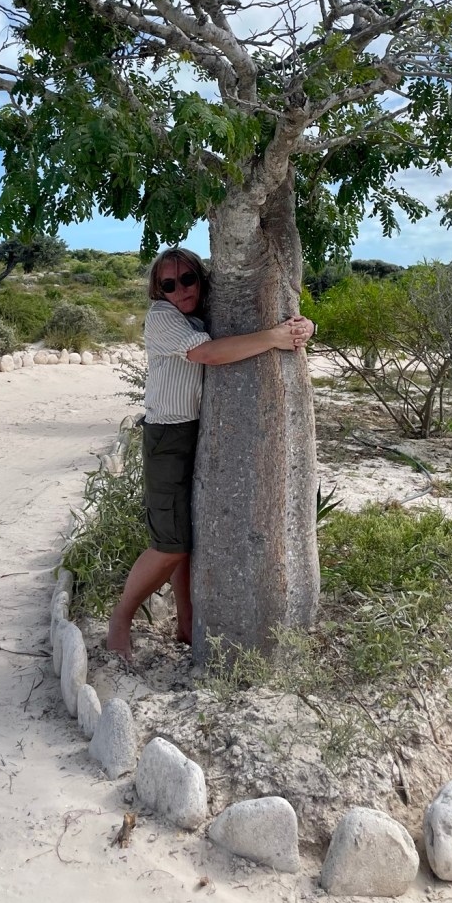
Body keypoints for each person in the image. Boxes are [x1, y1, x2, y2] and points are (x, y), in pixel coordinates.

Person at [106, 247, 315, 659]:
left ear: (201, 280)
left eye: (188, 279)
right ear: (158, 290)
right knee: (170, 545)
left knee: (189, 538)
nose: (180, 289)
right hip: (168, 437)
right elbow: (209, 354)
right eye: (169, 284)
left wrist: (303, 325)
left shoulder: (202, 317)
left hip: (199, 434)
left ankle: (186, 626)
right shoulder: (163, 318)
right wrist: (276, 338)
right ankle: (121, 618)